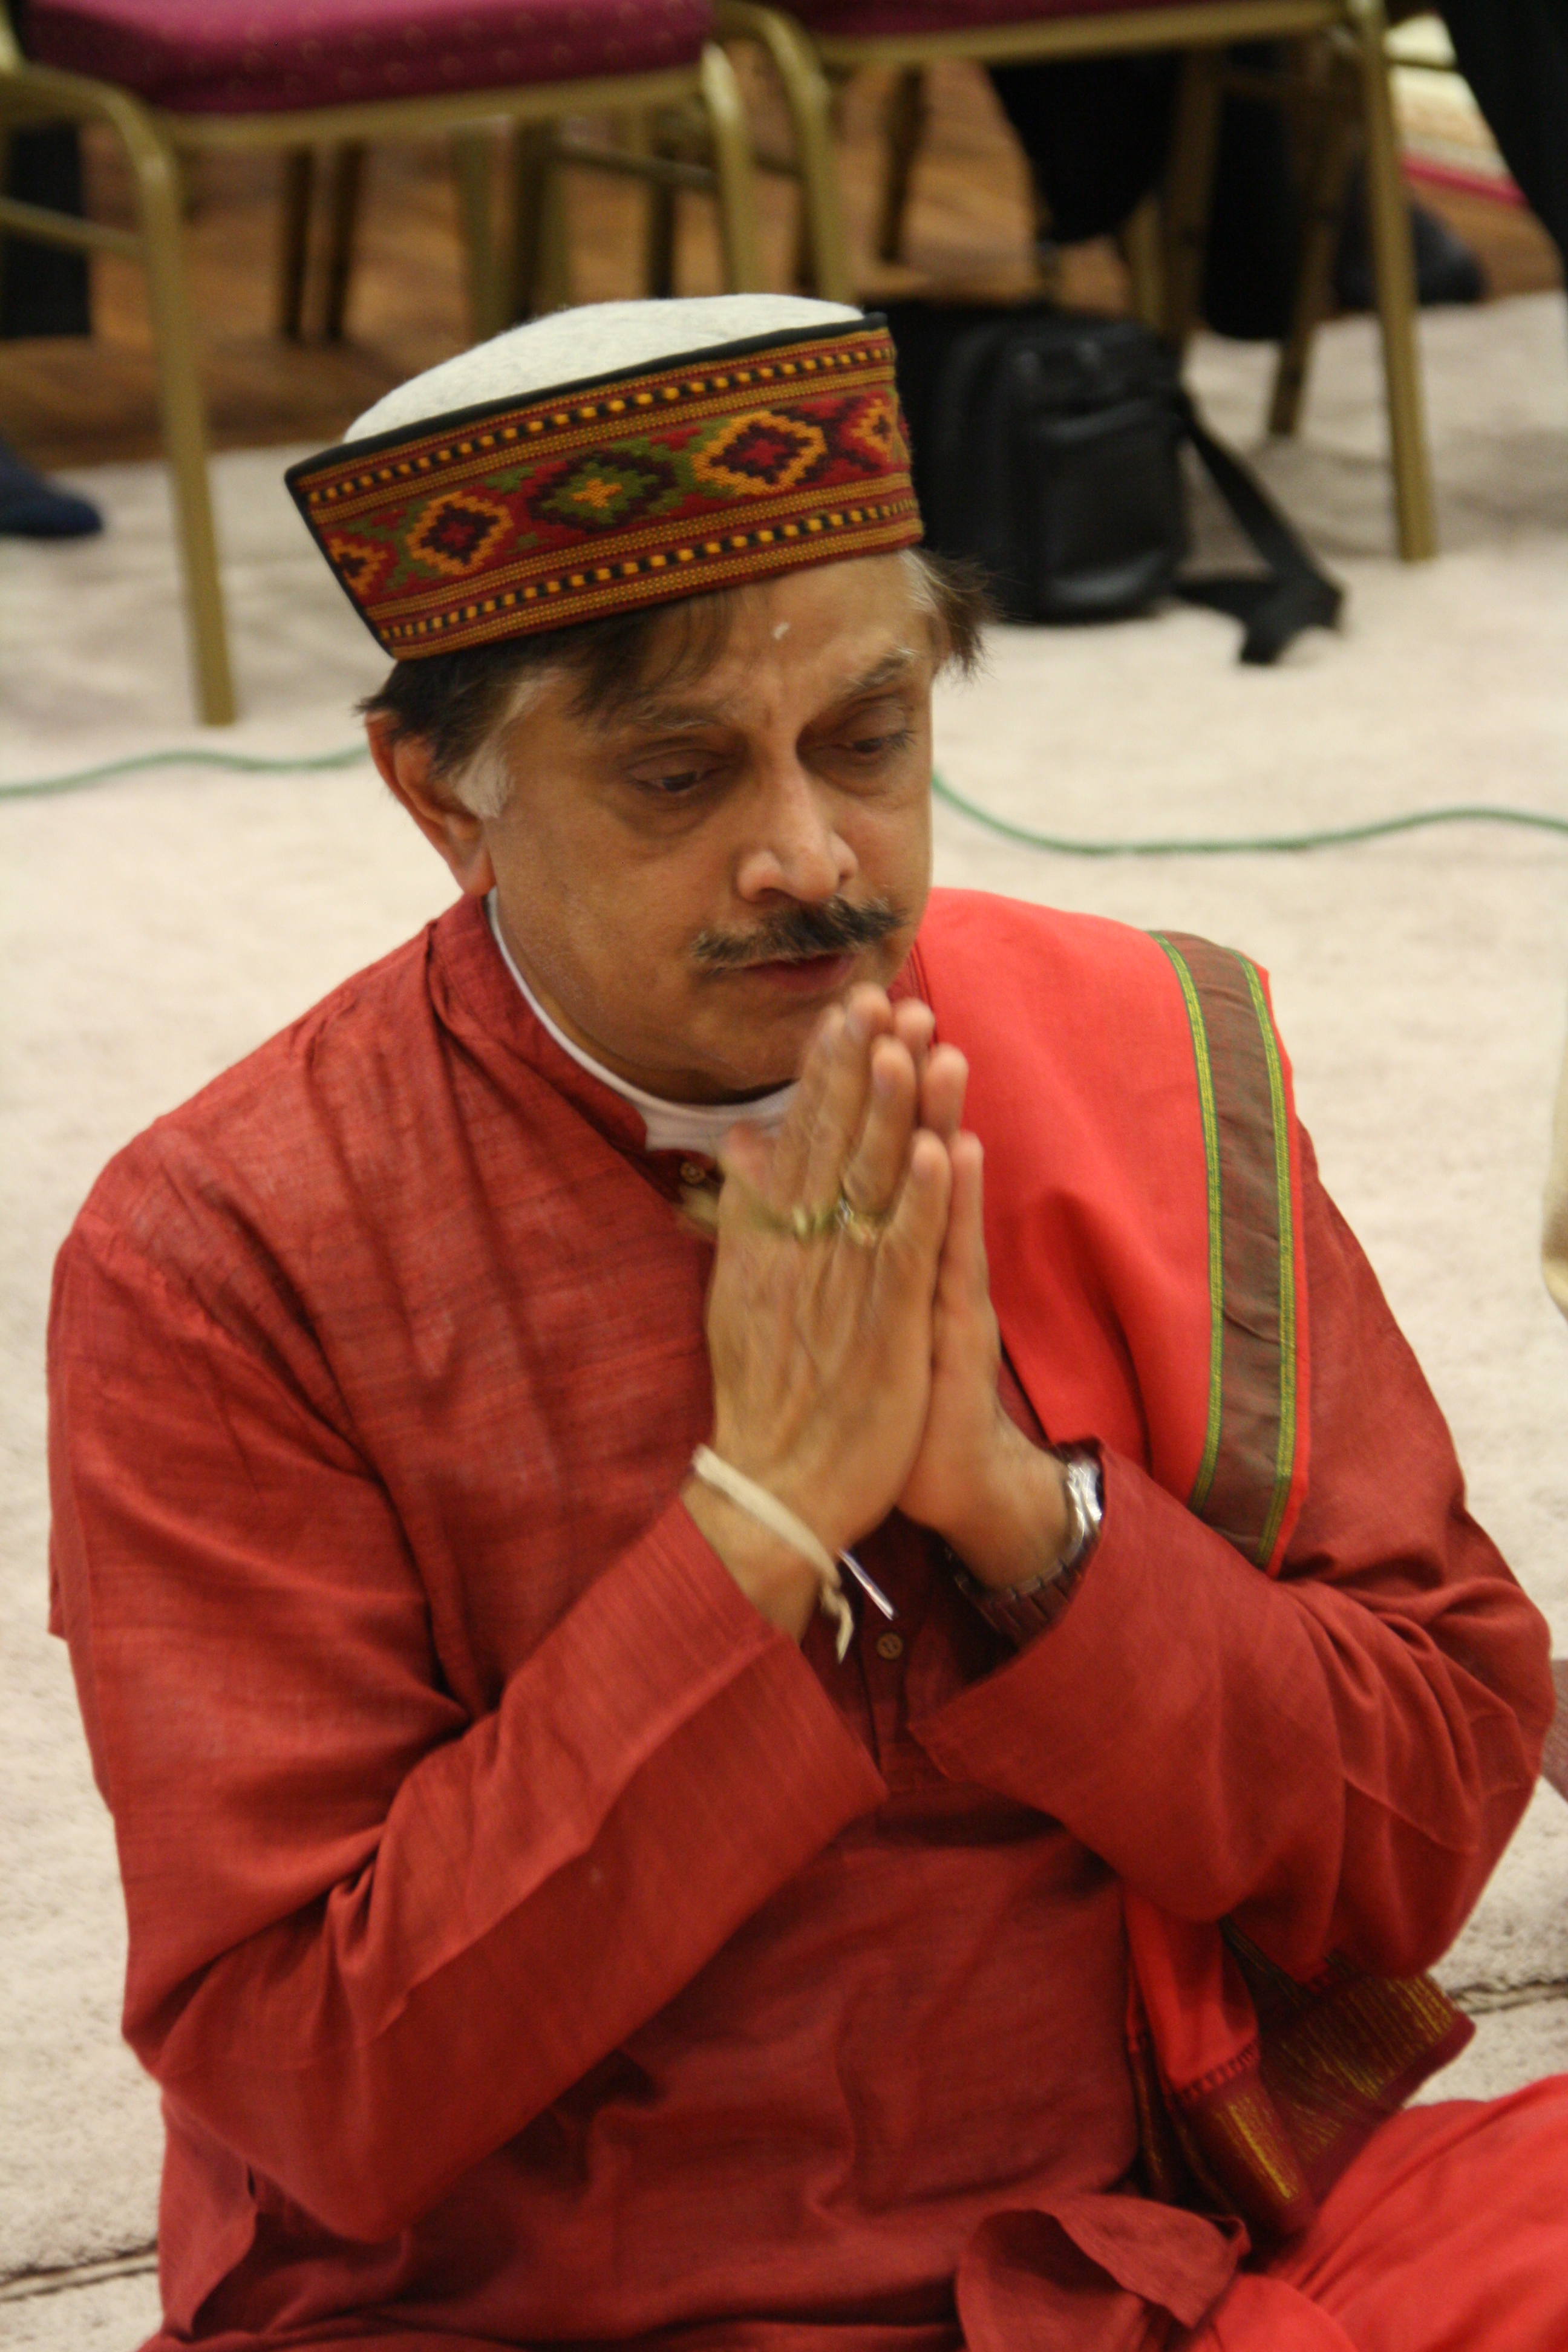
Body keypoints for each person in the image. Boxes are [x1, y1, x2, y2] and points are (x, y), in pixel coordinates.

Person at [47, 294, 1565, 2352]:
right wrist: (755, 1529)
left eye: (870, 742)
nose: (811, 858)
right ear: (441, 796)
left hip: (1158, 2263)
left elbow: (1423, 1825)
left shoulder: (1139, 1050)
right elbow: (314, 2080)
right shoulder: (226, 1255)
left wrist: (1023, 1516)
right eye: (678, 775)